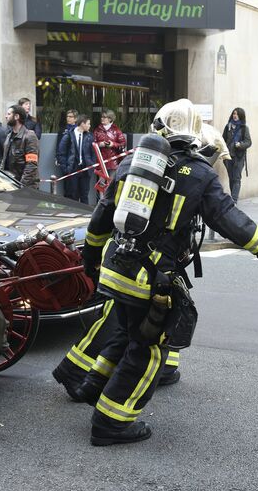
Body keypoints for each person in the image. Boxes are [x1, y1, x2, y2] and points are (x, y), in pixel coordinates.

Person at [72, 99, 258, 446]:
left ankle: (92, 387)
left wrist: (90, 260)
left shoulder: (133, 162)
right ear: (196, 134)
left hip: (114, 267)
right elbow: (236, 225)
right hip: (148, 279)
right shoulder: (199, 173)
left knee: (124, 333)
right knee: (148, 349)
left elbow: (102, 216)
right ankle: (111, 423)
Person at [51, 122, 231, 401]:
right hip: (141, 263)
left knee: (142, 317)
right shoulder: (184, 170)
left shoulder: (140, 163)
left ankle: (158, 370)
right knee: (124, 325)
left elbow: (103, 213)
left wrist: (93, 255)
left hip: (131, 258)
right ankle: (76, 372)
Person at [56, 114, 95, 204]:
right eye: (88, 124)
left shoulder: (89, 136)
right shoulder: (69, 135)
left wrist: (92, 164)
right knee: (73, 194)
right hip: (73, 168)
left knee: (84, 194)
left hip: (85, 168)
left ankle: (86, 215)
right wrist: (65, 168)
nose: (89, 126)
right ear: (82, 124)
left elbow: (93, 152)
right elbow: (61, 152)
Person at [1, 104, 39, 188]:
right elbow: (4, 161)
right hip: (11, 184)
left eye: (9, 114)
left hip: (25, 187)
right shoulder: (8, 136)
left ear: (16, 116)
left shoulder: (29, 136)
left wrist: (21, 185)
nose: (6, 116)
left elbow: (31, 164)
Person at [93, 109, 127, 201]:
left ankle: (109, 202)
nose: (102, 119)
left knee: (111, 183)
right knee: (101, 184)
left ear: (110, 119)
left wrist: (113, 144)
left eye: (105, 117)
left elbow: (123, 144)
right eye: (102, 117)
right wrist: (100, 144)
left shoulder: (116, 131)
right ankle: (101, 202)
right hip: (101, 161)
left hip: (113, 162)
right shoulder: (97, 130)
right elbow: (93, 143)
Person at [222, 107, 252, 202]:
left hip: (239, 157)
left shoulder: (244, 128)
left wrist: (240, 145)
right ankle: (232, 197)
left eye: (237, 114)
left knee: (237, 178)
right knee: (231, 178)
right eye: (234, 114)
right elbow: (223, 140)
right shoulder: (228, 127)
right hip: (228, 156)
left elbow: (248, 142)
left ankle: (234, 200)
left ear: (241, 116)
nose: (235, 116)